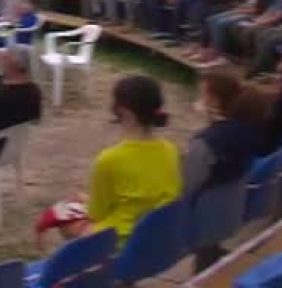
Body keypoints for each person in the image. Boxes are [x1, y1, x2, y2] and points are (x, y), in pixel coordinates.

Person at [35, 75, 182, 246]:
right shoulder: (171, 151)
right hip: (159, 236)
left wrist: (80, 203)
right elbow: (145, 197)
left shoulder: (110, 159)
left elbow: (97, 214)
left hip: (122, 243)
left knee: (69, 223)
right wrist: (87, 199)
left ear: (123, 111)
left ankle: (87, 259)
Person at [184, 72, 266, 271]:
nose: (199, 99)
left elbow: (188, 185)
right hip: (231, 210)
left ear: (214, 100)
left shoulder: (207, 142)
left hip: (204, 218)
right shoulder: (249, 129)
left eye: (202, 94)